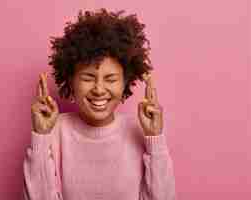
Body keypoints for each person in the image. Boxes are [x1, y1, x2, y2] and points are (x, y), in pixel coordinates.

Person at [22, 8, 176, 200]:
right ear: (71, 81)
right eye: (88, 77)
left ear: (125, 83)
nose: (99, 89)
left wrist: (155, 140)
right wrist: (41, 138)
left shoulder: (140, 131)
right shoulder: (54, 131)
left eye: (111, 79)